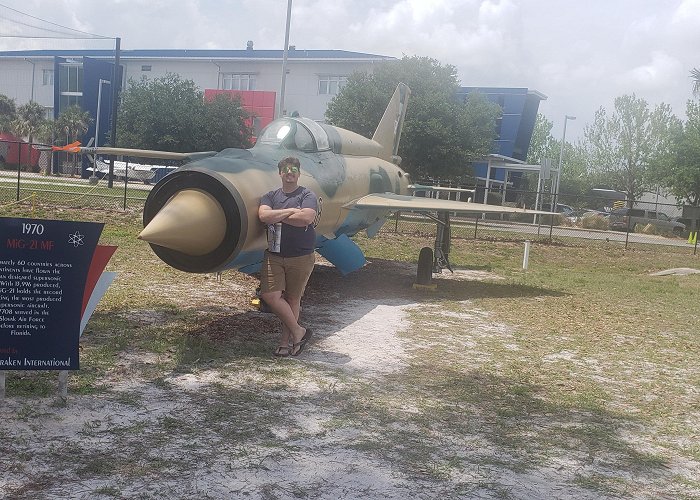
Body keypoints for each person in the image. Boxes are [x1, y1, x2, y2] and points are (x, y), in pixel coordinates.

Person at [258, 156, 318, 357]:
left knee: (292, 299)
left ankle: (286, 342)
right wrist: (292, 210)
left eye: (293, 169)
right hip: (274, 254)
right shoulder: (270, 195)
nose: (289, 172)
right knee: (270, 296)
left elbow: (306, 219)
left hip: (301, 255)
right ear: (280, 173)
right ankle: (299, 331)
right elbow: (264, 216)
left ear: (299, 173)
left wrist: (279, 214)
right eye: (286, 169)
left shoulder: (307, 195)